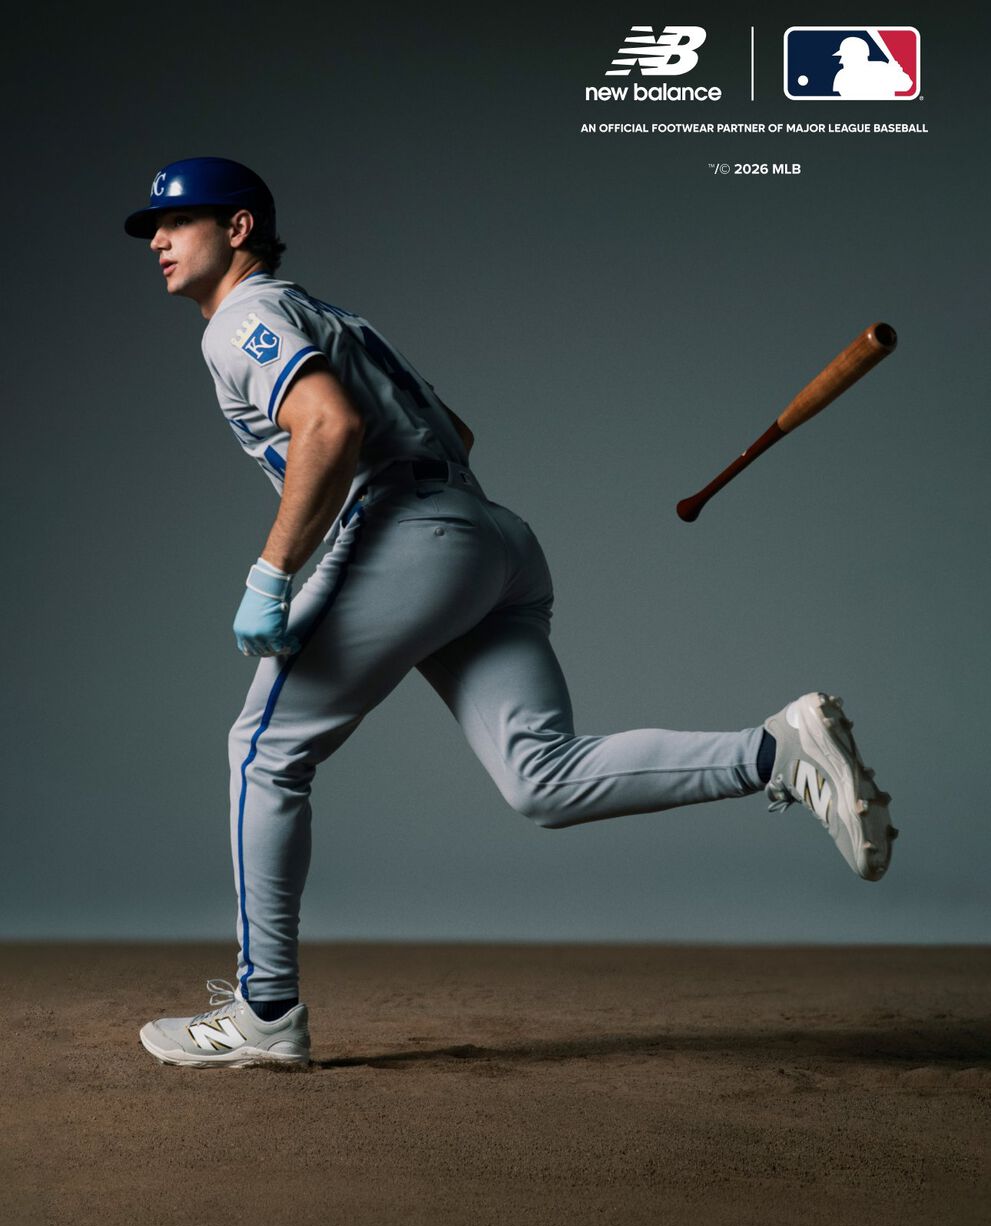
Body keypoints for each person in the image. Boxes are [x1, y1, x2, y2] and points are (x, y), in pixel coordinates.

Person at [126, 157, 896, 1071]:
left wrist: (274, 569)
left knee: (263, 750)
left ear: (241, 228)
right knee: (544, 778)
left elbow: (328, 427)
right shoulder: (330, 316)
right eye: (154, 231)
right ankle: (777, 749)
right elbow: (457, 432)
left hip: (406, 534)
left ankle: (265, 1014)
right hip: (488, 538)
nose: (161, 242)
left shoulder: (240, 321)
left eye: (180, 222)